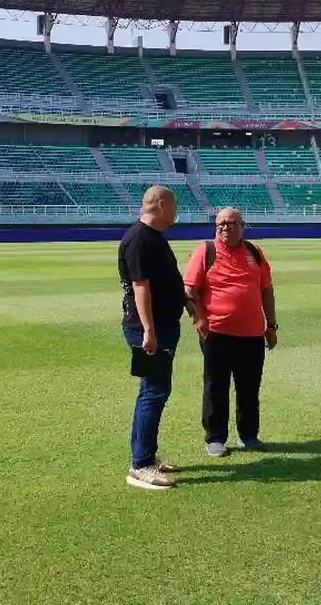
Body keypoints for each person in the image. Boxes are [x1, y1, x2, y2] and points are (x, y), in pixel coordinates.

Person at [183, 207, 278, 457]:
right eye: (221, 224)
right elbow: (189, 292)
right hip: (217, 333)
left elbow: (267, 290)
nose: (225, 227)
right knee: (216, 388)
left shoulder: (255, 253)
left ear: (242, 226)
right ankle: (215, 438)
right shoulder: (206, 251)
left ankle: (249, 435)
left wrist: (271, 325)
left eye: (231, 223)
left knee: (249, 388)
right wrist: (199, 319)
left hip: (252, 335)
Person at [118, 185, 189, 490]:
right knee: (154, 392)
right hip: (150, 328)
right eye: (174, 206)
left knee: (152, 391)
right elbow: (140, 288)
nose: (176, 212)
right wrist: (149, 330)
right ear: (161, 205)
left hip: (160, 326)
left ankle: (145, 455)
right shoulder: (139, 239)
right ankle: (141, 465)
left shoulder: (154, 238)